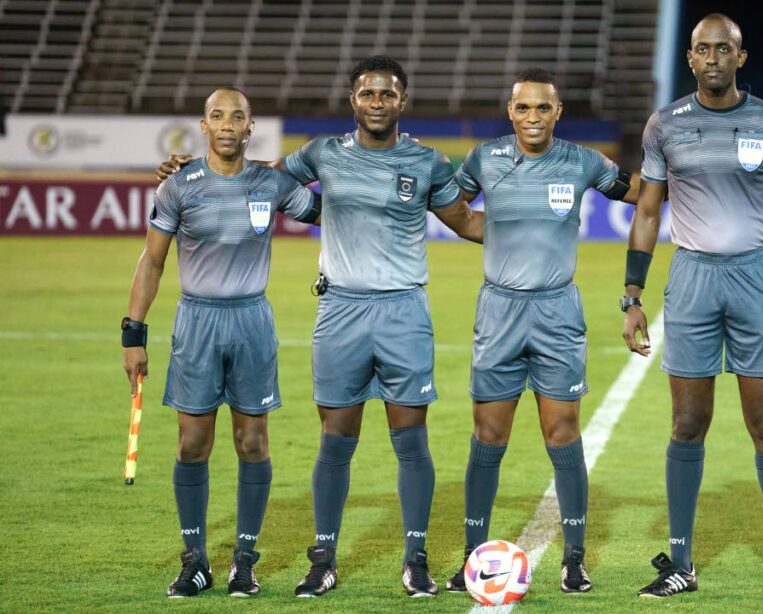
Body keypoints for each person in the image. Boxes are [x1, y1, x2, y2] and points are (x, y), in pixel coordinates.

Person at [159, 55, 483, 598]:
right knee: (336, 441)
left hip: (404, 310)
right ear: (352, 100)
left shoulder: (427, 163)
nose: (376, 102)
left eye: (386, 94)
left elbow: (467, 221)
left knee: (412, 441)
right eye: (366, 94)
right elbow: (249, 178)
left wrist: (530, 226)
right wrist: (188, 168)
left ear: (403, 101)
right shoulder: (322, 154)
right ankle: (323, 559)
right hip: (340, 314)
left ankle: (416, 559)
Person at [622, 13, 763, 602]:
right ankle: (680, 565)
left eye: (724, 49)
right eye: (702, 49)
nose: (713, 58)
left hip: (754, 280)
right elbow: (647, 213)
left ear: (741, 57)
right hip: (691, 281)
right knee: (688, 424)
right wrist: (632, 297)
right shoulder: (665, 126)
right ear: (689, 59)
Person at [443, 68, 639, 594]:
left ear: (558, 113)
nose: (533, 117)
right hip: (499, 311)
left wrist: (683, 173)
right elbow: (454, 208)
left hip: (557, 312)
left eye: (543, 108)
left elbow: (638, 193)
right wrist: (496, 228)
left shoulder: (581, 162)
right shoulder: (484, 159)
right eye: (523, 108)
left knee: (563, 433)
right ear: (510, 112)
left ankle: (574, 558)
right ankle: (471, 556)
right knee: (489, 434)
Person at [123, 87, 320, 598]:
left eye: (238, 116)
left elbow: (324, 212)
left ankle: (245, 562)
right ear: (204, 126)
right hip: (198, 322)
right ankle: (195, 561)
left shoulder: (270, 182)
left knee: (252, 443)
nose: (228, 124)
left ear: (250, 126)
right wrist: (134, 333)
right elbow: (152, 262)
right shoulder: (179, 186)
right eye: (218, 116)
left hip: (252, 321)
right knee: (193, 444)